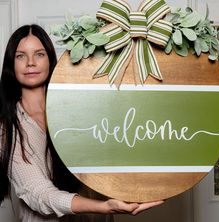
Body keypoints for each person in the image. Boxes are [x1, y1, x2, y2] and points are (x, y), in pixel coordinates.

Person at [0, 24, 163, 222]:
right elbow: (39, 194)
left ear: (51, 60)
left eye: (39, 54)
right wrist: (103, 206)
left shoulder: (74, 111)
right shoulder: (8, 128)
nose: (31, 63)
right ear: (11, 64)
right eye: (21, 56)